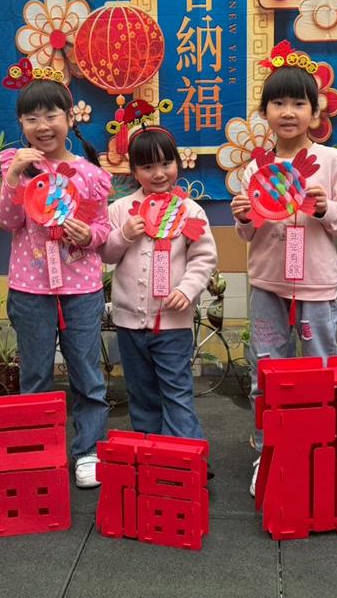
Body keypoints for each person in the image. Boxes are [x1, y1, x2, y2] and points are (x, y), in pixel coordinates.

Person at [230, 42, 337, 497]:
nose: (288, 112)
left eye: (299, 103)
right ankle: (268, 450)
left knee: (322, 368)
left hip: (316, 287)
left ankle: (323, 448)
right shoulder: (256, 167)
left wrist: (326, 209)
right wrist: (244, 217)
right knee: (266, 372)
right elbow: (248, 234)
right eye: (278, 103)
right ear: (264, 112)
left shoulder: (331, 161)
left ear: (315, 112)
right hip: (268, 284)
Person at [0, 63, 111, 489]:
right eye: (31, 118)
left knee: (87, 373)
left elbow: (103, 229)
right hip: (30, 288)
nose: (42, 126)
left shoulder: (91, 174)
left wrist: (89, 235)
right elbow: (9, 221)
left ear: (69, 117)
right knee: (35, 374)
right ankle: (37, 448)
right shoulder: (16, 166)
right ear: (21, 124)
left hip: (81, 289)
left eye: (51, 115)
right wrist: (12, 178)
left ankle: (88, 450)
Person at [101, 127, 216, 440]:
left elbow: (203, 258)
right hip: (129, 324)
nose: (159, 173)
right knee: (141, 392)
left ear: (178, 163)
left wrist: (187, 289)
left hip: (172, 323)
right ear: (134, 171)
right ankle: (150, 451)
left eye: (166, 163)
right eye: (148, 166)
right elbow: (106, 254)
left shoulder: (190, 210)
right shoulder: (120, 210)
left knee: (177, 391)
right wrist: (124, 235)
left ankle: (188, 454)